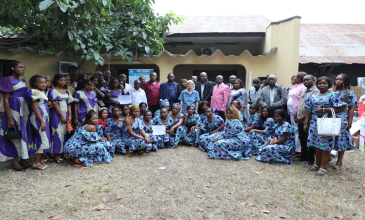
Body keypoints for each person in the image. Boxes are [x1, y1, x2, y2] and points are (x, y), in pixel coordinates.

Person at [304, 76, 347, 176]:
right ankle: (317, 163)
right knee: (316, 144)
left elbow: (342, 109)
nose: (322, 85)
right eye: (320, 83)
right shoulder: (312, 96)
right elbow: (309, 110)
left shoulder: (333, 95)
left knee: (325, 145)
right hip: (314, 123)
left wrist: (324, 110)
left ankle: (323, 166)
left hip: (327, 122)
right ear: (316, 84)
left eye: (325, 83)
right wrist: (306, 123)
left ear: (329, 85)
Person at [0, 61, 31, 171]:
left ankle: (23, 158)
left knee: (24, 133)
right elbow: (6, 99)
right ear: (12, 68)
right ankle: (14, 160)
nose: (23, 69)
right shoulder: (6, 80)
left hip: (24, 110)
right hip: (14, 109)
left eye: (24, 67)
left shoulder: (22, 80)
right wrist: (9, 118)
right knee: (14, 135)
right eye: (20, 67)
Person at [26, 75, 51, 170]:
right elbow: (35, 107)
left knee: (44, 139)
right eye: (41, 82)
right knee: (41, 139)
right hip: (38, 119)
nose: (44, 84)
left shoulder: (43, 92)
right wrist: (41, 121)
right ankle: (36, 162)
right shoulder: (33, 92)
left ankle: (39, 160)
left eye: (45, 82)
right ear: (35, 83)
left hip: (44, 119)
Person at [333, 73, 357, 170]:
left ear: (345, 81)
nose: (337, 81)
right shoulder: (331, 92)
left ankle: (339, 161)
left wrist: (350, 122)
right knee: (329, 138)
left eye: (340, 79)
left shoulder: (350, 93)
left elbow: (351, 108)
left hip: (343, 119)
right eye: (336, 79)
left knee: (341, 139)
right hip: (331, 117)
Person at [48, 74, 74, 163]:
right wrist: (61, 116)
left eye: (64, 80)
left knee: (65, 134)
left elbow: (69, 103)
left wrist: (70, 115)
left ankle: (64, 152)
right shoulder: (52, 90)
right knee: (56, 133)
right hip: (56, 115)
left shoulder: (66, 91)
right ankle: (56, 154)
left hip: (66, 114)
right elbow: (54, 104)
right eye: (61, 80)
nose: (63, 82)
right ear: (56, 81)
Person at [294, 75, 318, 165]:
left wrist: (303, 118)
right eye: (304, 80)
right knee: (302, 138)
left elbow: (312, 108)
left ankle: (310, 159)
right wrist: (297, 115)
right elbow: (301, 104)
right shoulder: (304, 91)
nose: (305, 82)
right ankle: (303, 156)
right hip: (300, 119)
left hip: (309, 120)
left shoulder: (316, 91)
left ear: (313, 80)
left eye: (308, 80)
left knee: (309, 140)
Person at [287, 72, 307, 158]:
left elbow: (301, 101)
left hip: (298, 113)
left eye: (295, 77)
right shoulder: (295, 86)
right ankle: (296, 149)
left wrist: (297, 113)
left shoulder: (303, 87)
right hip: (292, 112)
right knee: (295, 131)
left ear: (300, 78)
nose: (293, 79)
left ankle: (299, 151)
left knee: (298, 132)